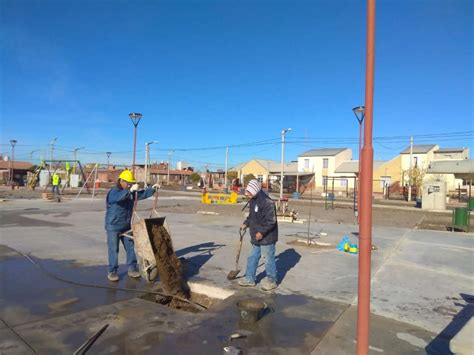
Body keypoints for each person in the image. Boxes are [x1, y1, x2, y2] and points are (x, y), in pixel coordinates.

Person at [105, 169, 159, 282]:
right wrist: (129, 191)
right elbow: (118, 198)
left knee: (130, 248)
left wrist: (152, 189)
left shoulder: (129, 193)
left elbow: (141, 194)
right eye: (128, 183)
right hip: (113, 226)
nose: (130, 185)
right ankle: (112, 272)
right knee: (113, 249)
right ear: (121, 181)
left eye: (131, 183)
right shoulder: (114, 192)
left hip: (126, 225)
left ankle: (132, 269)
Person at [238, 179, 278, 291]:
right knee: (252, 256)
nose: (247, 195)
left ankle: (272, 280)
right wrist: (246, 223)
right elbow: (251, 216)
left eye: (249, 193)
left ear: (254, 190)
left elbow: (271, 221)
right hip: (256, 235)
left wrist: (262, 232)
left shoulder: (267, 202)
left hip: (267, 237)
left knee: (268, 258)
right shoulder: (253, 200)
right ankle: (250, 279)